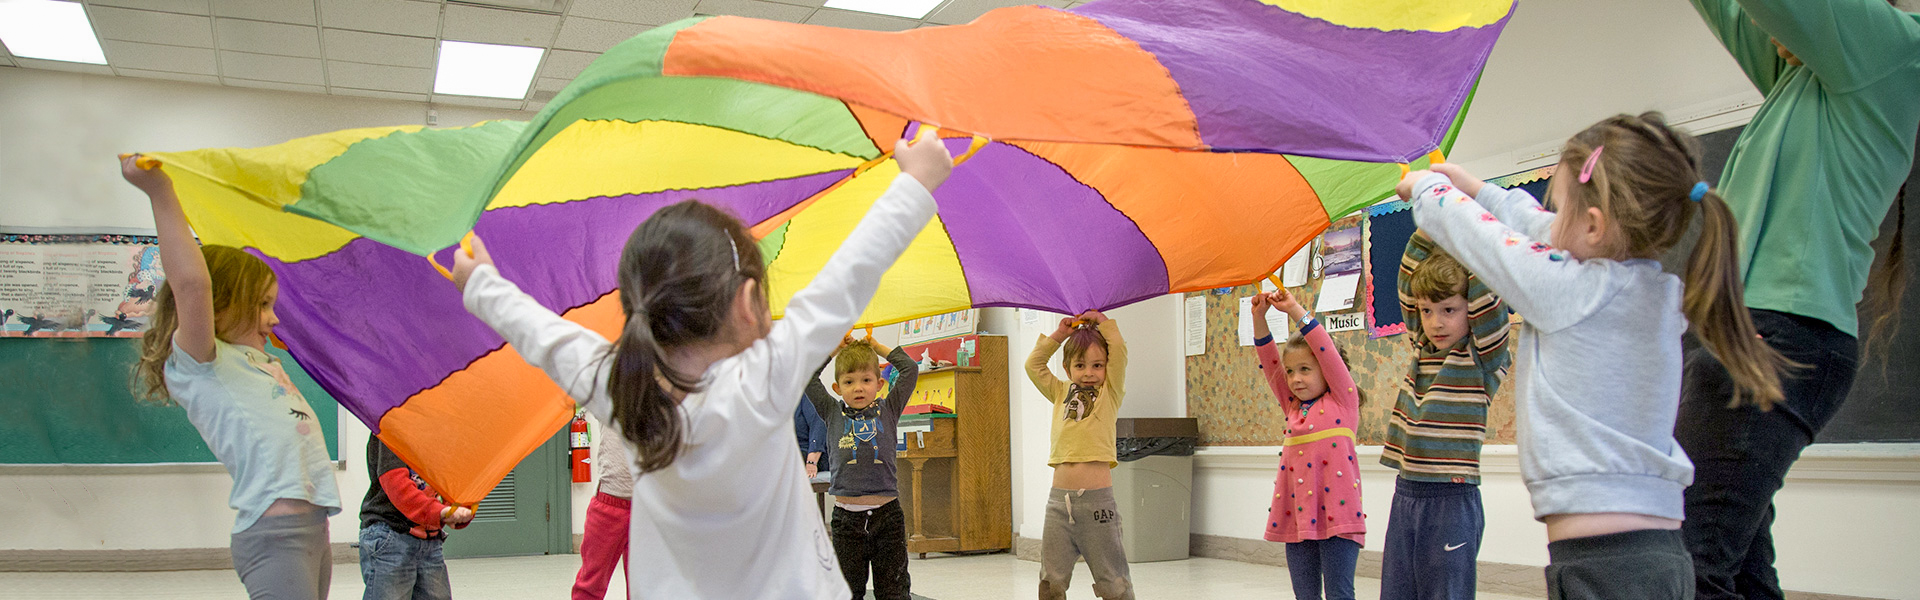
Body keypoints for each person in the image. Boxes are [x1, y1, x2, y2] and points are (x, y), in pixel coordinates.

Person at [446, 132, 953, 599]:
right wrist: (915, 184)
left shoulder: (623, 389)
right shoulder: (764, 378)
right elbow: (848, 278)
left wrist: (482, 286)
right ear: (748, 301)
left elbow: (548, 339)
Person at [1399, 111, 1792, 598]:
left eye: (1560, 207)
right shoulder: (1651, 290)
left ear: (1593, 225)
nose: (1550, 220)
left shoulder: (1572, 291)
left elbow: (1489, 246)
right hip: (1655, 553)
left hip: (1607, 565)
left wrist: (1427, 192)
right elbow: (1542, 231)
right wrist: (1479, 190)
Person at [1682, 2, 1920, 597]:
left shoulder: (1892, 50)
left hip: (1779, 333)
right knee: (1736, 568)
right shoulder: (1802, 81)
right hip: (1741, 331)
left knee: (1689, 565)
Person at [124, 154, 343, 599]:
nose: (274, 318)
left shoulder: (259, 362)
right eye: (262, 304)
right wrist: (160, 192)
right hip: (274, 535)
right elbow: (192, 284)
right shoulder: (203, 363)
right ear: (221, 306)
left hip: (313, 530)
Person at [1378, 230, 1512, 600]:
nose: (1435, 322)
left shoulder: (1485, 359)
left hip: (1452, 499)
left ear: (1471, 308)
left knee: (1445, 593)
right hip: (1407, 492)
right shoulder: (1422, 347)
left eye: (1449, 310)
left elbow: (1487, 296)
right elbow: (1407, 281)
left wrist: (1460, 222)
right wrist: (1427, 226)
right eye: (1427, 311)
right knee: (1397, 592)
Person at [1250, 288, 1365, 600]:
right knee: (1305, 595)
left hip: (1339, 519)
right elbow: (1269, 361)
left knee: (1340, 593)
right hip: (1297, 515)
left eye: (1305, 369)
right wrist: (1259, 319)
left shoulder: (1344, 400)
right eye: (1291, 372)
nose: (1295, 378)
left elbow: (1325, 349)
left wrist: (1295, 311)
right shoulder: (1292, 407)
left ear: (1326, 371)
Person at [804, 336, 920, 600]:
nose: (858, 388)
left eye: (866, 380)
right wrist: (835, 349)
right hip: (847, 522)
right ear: (836, 387)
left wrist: (876, 347)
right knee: (847, 592)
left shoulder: (889, 408)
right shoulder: (832, 412)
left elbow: (909, 368)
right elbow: (807, 377)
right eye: (849, 382)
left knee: (894, 592)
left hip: (887, 518)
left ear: (879, 384)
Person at [1026, 310, 1131, 600]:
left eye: (1098, 365)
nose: (1089, 372)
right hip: (1058, 505)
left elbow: (1119, 349)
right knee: (1051, 581)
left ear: (1108, 367)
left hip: (1098, 505)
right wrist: (1059, 335)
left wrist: (1103, 321)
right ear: (1067, 367)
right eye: (1080, 365)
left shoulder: (1111, 392)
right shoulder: (1060, 392)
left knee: (1113, 581)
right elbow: (1033, 365)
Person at [359, 438, 474, 600]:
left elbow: (450, 477)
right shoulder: (390, 427)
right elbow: (397, 486)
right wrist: (440, 512)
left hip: (429, 538)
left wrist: (456, 509)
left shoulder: (441, 432)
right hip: (390, 534)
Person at [573, 434, 634, 600]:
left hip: (649, 508)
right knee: (590, 584)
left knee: (644, 588)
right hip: (608, 506)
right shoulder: (608, 407)